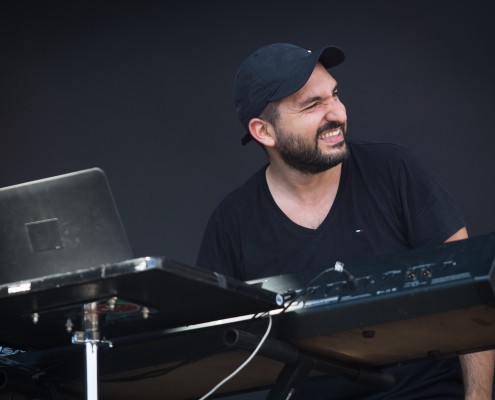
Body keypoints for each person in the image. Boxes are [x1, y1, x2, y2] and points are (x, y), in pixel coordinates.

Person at [196, 43, 495, 399]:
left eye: (334, 95)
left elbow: (474, 303)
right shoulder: (231, 224)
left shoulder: (396, 171)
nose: (337, 113)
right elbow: (206, 353)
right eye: (312, 105)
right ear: (264, 132)